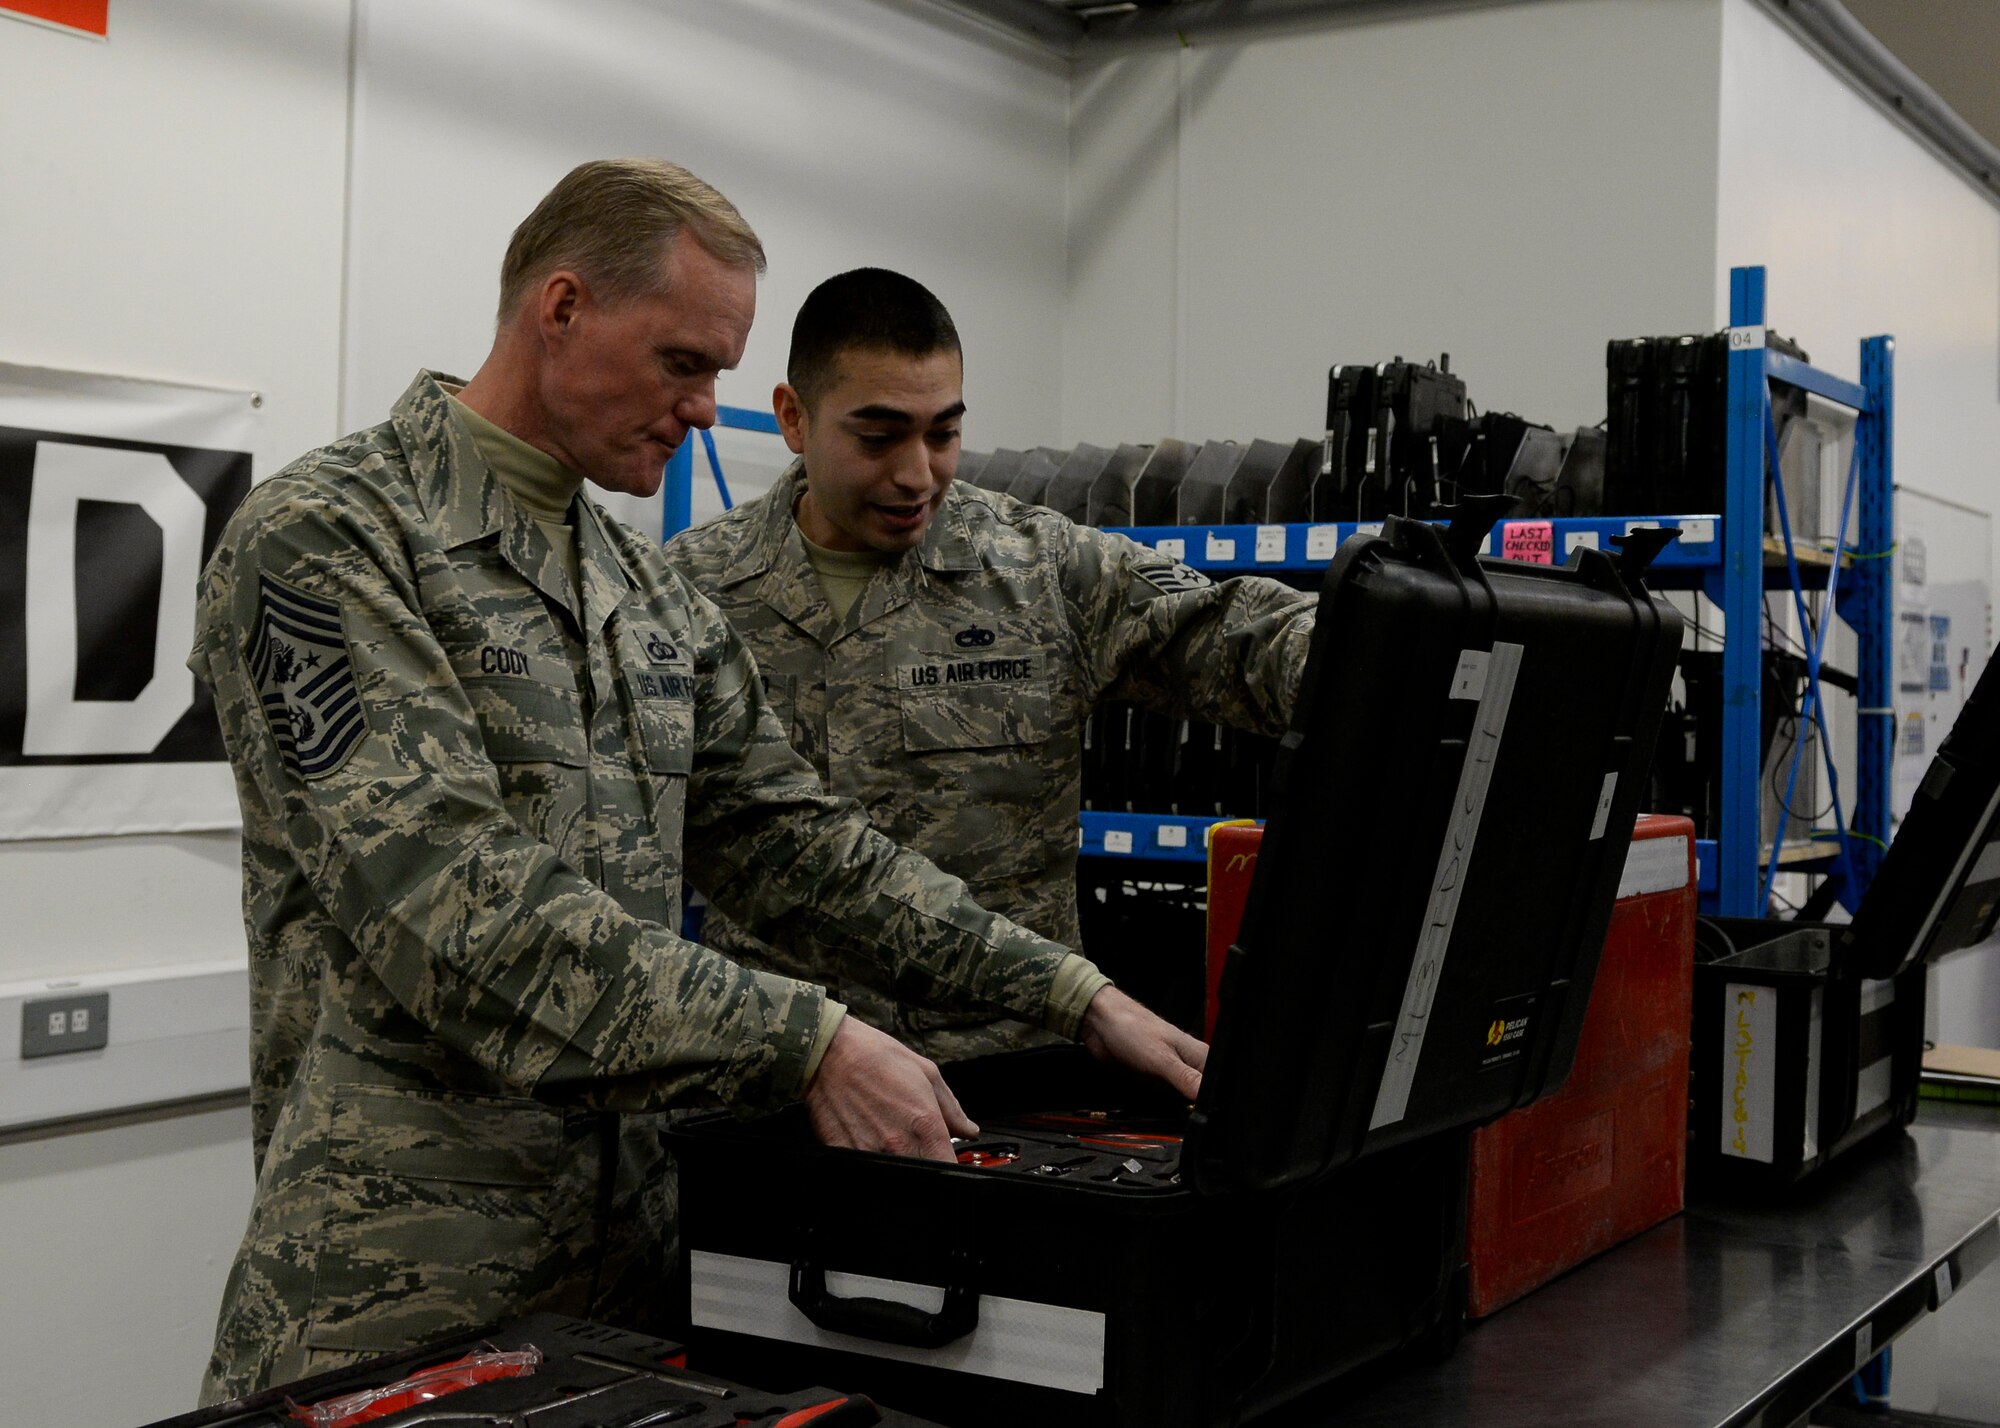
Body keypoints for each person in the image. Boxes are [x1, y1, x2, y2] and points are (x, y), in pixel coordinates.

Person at [189, 161, 1202, 1404]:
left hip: (640, 1278)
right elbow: (456, 910)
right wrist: (805, 1040)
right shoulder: (331, 538)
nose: (702, 406)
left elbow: (800, 847)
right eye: (680, 362)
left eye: (718, 371)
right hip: (401, 1295)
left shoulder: (644, 590)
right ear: (560, 308)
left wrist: (1070, 992)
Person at [664, 268, 1316, 1064]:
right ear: (794, 419)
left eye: (942, 433)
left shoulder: (1039, 569)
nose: (917, 474)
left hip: (1007, 1077)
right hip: (789, 1082)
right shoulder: (691, 593)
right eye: (879, 436)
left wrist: (1407, 638)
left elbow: (1241, 636)